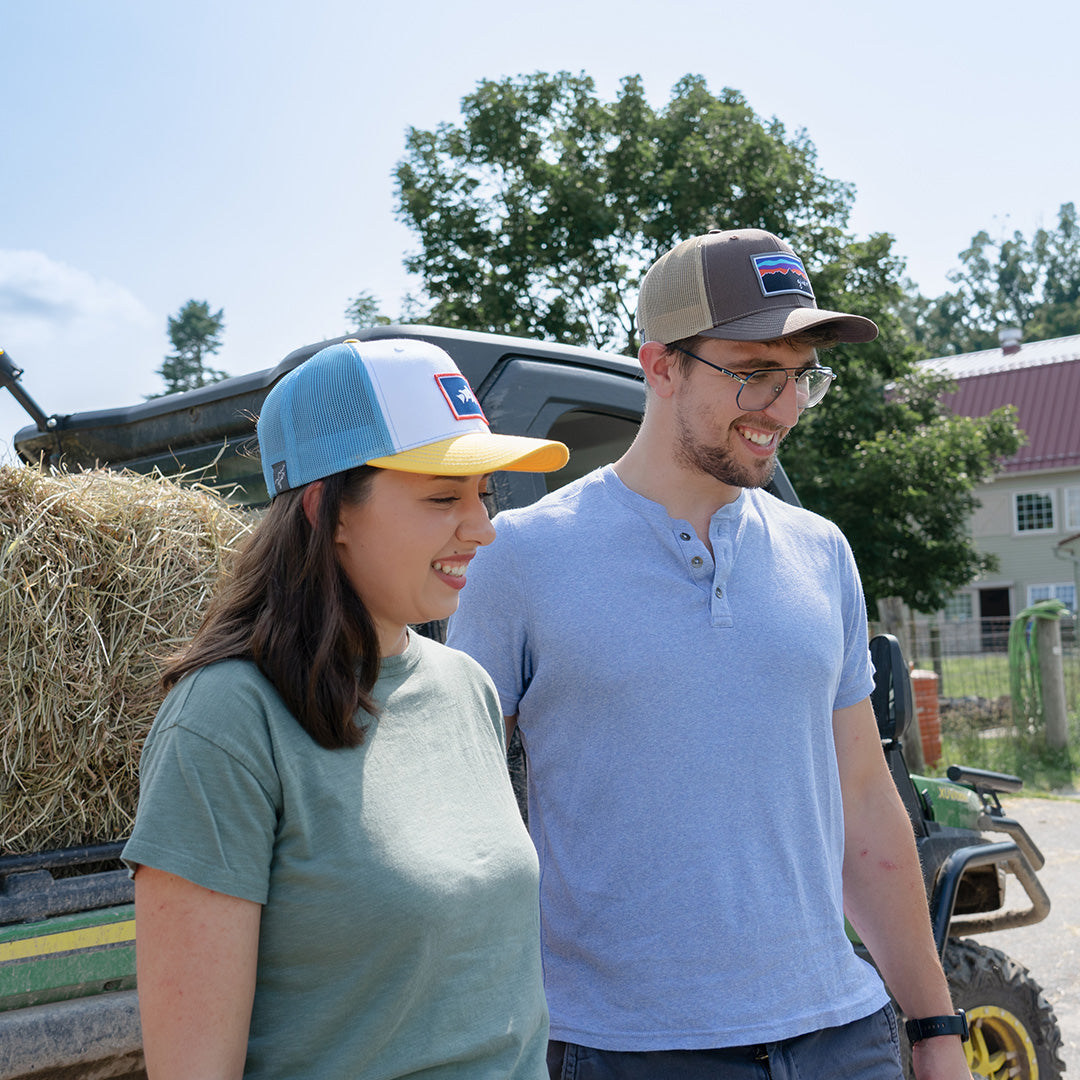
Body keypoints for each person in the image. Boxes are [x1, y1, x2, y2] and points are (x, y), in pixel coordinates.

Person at [447, 229, 973, 1080]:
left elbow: (865, 801)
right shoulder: (518, 557)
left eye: (802, 374)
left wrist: (934, 1025)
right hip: (625, 1049)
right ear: (661, 365)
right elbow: (463, 817)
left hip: (844, 1035)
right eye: (754, 372)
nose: (785, 404)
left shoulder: (822, 551)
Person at [122, 337, 569, 1080]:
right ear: (328, 510)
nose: (483, 527)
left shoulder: (468, 688)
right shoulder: (229, 719)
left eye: (483, 494)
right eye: (441, 497)